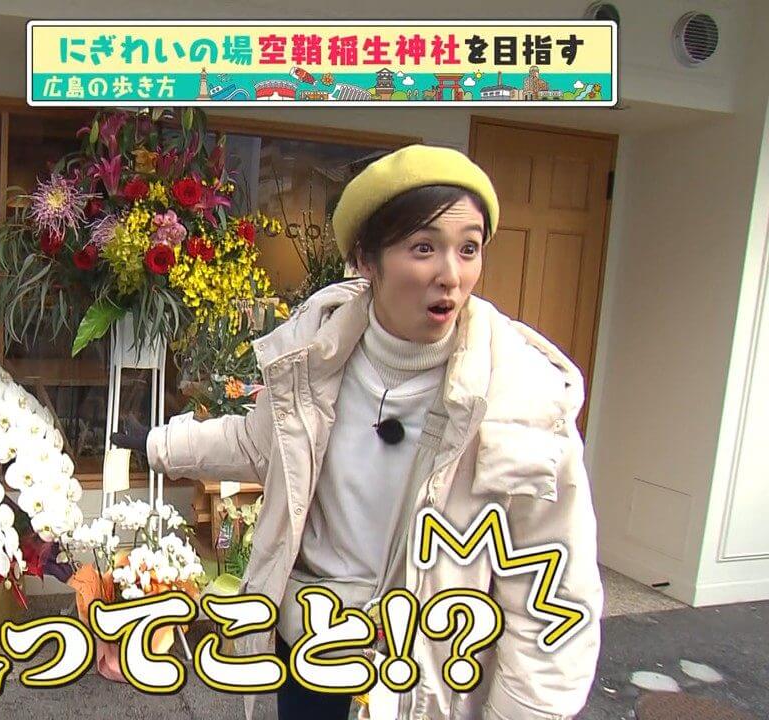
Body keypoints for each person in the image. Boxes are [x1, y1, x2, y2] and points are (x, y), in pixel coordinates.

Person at [112, 144, 603, 720]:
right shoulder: (315, 359)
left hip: (420, 675)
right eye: (424, 248)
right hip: (312, 644)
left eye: (468, 248)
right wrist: (155, 443)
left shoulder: (522, 399)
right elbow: (255, 443)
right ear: (366, 260)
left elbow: (553, 594)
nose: (451, 275)